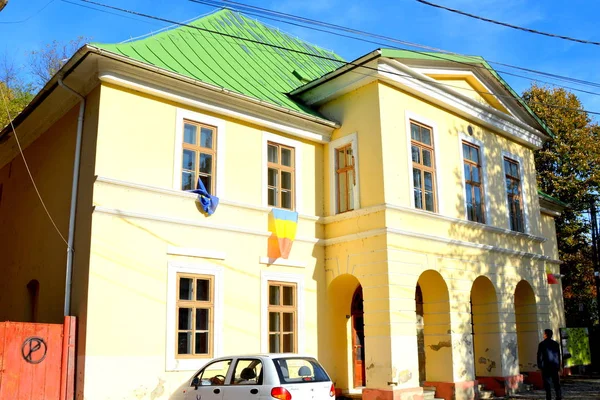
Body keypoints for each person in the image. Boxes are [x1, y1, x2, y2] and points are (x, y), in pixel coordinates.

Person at [537, 329, 562, 400]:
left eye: (543, 333)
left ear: (545, 335)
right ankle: (558, 396)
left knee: (547, 384)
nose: (543, 335)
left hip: (546, 366)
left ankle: (548, 397)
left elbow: (540, 356)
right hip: (554, 365)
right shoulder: (556, 344)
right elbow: (558, 355)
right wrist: (559, 366)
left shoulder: (542, 344)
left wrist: (540, 365)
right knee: (556, 383)